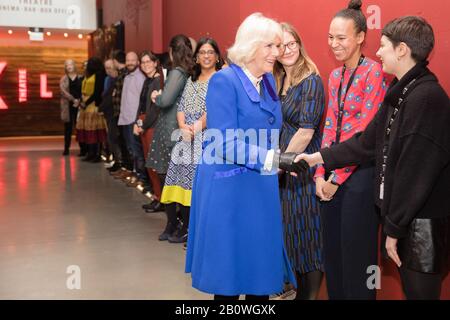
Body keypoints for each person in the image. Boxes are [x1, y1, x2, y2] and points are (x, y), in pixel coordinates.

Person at [298, 16, 450, 300]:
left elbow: (415, 174)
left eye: (382, 46)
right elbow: (365, 143)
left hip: (422, 227)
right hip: (405, 221)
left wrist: (394, 228)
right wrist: (318, 159)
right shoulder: (402, 93)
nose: (377, 52)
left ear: (402, 50)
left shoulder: (426, 98)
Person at [185, 13, 305, 300]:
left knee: (259, 272)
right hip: (228, 188)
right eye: (270, 46)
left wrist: (276, 158)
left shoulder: (267, 83)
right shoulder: (224, 81)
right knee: (229, 276)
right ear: (251, 46)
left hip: (259, 186)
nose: (277, 53)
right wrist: (276, 160)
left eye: (278, 46)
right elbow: (225, 141)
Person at [312, 0, 387, 300]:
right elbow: (330, 127)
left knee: (359, 261)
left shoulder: (375, 74)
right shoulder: (335, 76)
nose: (334, 44)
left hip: (360, 178)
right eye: (331, 37)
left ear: (359, 37)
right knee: (334, 257)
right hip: (331, 176)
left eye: (341, 37)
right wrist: (319, 174)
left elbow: (364, 137)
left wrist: (335, 180)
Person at [273, 22, 325, 300]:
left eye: (292, 43)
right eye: (282, 45)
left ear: (299, 44)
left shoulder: (311, 80)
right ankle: (295, 291)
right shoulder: (279, 79)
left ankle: (310, 296)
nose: (288, 49)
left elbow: (306, 132)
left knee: (308, 237)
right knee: (291, 235)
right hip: (283, 171)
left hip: (301, 171)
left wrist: (280, 165)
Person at [159, 37, 224, 244]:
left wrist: (194, 129)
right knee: (176, 182)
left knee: (196, 186)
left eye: (210, 52)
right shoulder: (191, 79)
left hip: (205, 138)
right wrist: (182, 127)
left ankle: (192, 230)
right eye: (202, 52)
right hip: (185, 136)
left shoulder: (220, 79)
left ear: (217, 56)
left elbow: (214, 109)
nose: (206, 56)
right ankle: (176, 224)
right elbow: (181, 106)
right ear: (196, 57)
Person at [145, 34, 193, 237]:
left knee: (169, 179)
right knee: (177, 181)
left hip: (170, 130)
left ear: (172, 51)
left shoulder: (177, 73)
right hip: (177, 129)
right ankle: (177, 224)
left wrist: (157, 96)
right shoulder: (189, 72)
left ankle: (176, 224)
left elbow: (166, 101)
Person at [133, 51, 164, 199]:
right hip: (144, 124)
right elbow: (142, 106)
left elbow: (155, 109)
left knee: (155, 164)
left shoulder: (158, 81)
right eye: (143, 62)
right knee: (148, 163)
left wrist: (143, 125)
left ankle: (162, 199)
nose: (145, 65)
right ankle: (157, 196)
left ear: (155, 63)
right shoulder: (147, 81)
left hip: (153, 126)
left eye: (148, 61)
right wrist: (137, 122)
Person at [118, 52, 147, 188]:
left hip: (133, 120)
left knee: (137, 151)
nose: (129, 62)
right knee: (131, 149)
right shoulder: (127, 77)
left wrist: (137, 120)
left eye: (132, 60)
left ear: (137, 62)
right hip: (125, 118)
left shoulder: (140, 78)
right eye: (127, 60)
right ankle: (135, 174)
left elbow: (141, 101)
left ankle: (140, 177)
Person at [76, 57, 107, 162]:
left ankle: (96, 154)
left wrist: (86, 103)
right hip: (85, 106)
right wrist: (81, 101)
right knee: (87, 132)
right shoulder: (88, 75)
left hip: (93, 106)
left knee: (94, 132)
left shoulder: (99, 75)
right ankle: (90, 153)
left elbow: (97, 93)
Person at [60, 59, 83, 156]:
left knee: (80, 128)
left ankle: (83, 149)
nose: (69, 67)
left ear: (74, 66)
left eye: (71, 65)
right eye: (67, 65)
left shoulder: (81, 77)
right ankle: (66, 148)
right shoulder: (63, 79)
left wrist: (79, 101)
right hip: (68, 106)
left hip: (80, 105)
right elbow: (63, 91)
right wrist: (73, 100)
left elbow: (84, 90)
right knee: (68, 128)